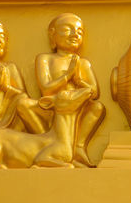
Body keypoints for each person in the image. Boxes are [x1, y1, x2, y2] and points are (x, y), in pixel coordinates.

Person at [35, 13, 104, 167]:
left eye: (79, 32)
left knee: (97, 107)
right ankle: (46, 142)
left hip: (75, 106)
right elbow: (46, 90)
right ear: (53, 35)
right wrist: (67, 76)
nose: (75, 34)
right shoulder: (45, 59)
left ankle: (78, 146)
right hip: (51, 106)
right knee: (23, 104)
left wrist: (79, 81)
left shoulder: (82, 63)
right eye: (67, 29)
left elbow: (94, 92)